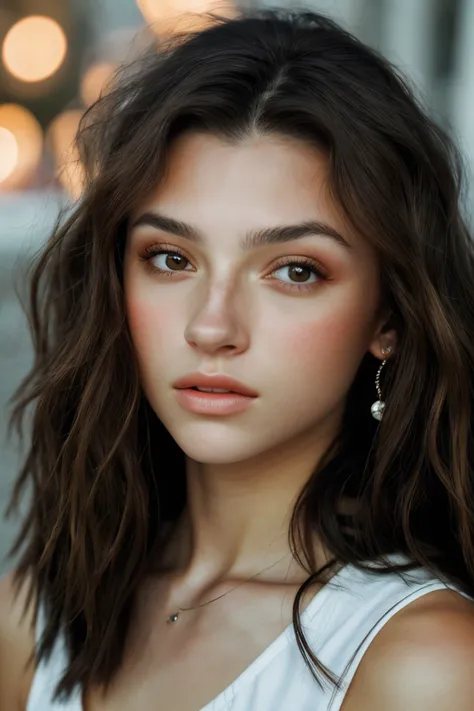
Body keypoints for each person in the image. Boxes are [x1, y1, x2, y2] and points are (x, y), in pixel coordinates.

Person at [1, 7, 474, 711]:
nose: (213, 326)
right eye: (171, 257)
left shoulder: (426, 662)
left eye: (293, 270)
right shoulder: (32, 619)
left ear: (389, 318)